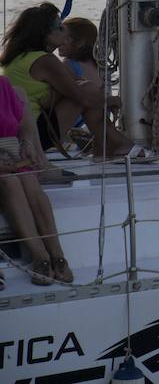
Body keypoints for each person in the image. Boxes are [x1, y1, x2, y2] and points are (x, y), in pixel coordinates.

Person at [0, 3, 131, 158]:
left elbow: (75, 83)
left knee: (85, 89)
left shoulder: (21, 56)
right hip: (32, 137)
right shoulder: (45, 61)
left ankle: (106, 147)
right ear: (45, 33)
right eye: (60, 27)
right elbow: (83, 98)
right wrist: (112, 101)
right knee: (85, 93)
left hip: (17, 134)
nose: (64, 31)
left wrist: (104, 99)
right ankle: (116, 144)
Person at [0, 74, 73, 285]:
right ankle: (39, 255)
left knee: (28, 180)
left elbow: (22, 128)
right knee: (11, 182)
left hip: (12, 156)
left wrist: (27, 145)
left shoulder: (5, 87)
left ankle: (57, 255)